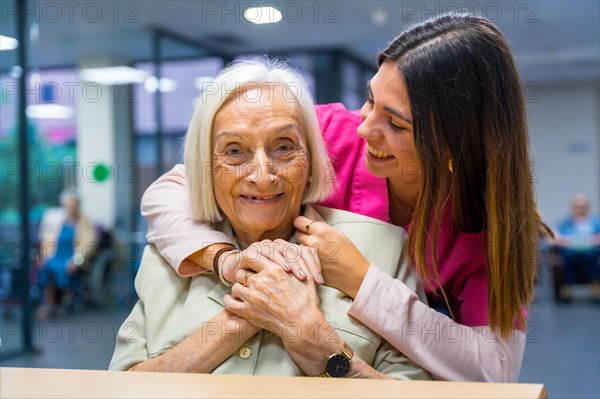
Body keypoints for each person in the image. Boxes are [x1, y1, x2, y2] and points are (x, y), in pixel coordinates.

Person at [139, 13, 552, 381]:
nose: (364, 128)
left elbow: (493, 371)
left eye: (395, 124)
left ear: (451, 145)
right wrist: (225, 260)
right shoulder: (328, 133)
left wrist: (362, 280)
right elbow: (173, 190)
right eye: (371, 100)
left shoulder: (481, 227)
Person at [110, 60, 430, 381]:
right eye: (235, 151)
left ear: (311, 162)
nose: (263, 177)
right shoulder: (172, 255)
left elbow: (413, 390)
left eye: (284, 147)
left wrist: (313, 339)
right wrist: (250, 307)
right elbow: (119, 386)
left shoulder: (383, 248)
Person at [37, 189, 97, 316]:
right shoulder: (57, 220)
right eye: (69, 207)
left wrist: (76, 261)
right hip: (56, 254)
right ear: (64, 207)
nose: (72, 210)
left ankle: (65, 301)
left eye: (74, 207)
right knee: (44, 268)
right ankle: (50, 304)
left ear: (78, 206)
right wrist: (43, 256)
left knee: (63, 269)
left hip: (73, 256)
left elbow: (89, 245)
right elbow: (47, 239)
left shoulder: (84, 221)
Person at [552, 194, 600, 299]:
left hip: (591, 250)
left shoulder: (595, 221)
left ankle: (595, 284)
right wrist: (568, 242)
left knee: (592, 256)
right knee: (568, 256)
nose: (580, 210)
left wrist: (591, 241)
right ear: (573, 208)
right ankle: (567, 286)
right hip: (570, 250)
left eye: (583, 207)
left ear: (588, 208)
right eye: (578, 207)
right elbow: (554, 236)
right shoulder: (566, 222)